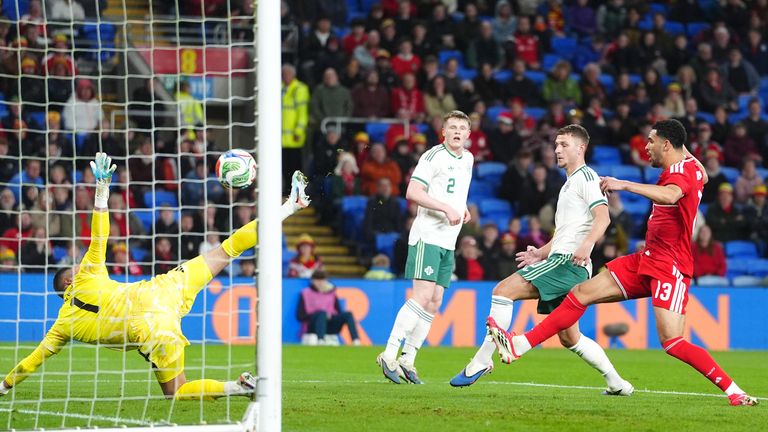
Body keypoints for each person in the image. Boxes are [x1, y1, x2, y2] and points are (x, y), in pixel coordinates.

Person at [487, 120, 759, 406]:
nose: (646, 147)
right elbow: (702, 174)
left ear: (666, 145)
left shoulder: (681, 172)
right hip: (647, 258)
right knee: (580, 294)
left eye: (652, 141)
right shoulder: (689, 168)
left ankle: (734, 391)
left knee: (672, 342)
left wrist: (624, 184)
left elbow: (671, 194)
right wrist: (682, 145)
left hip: (671, 267)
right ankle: (521, 344)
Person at [0, 153, 311, 400]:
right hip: (164, 289)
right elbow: (99, 235)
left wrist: (5, 385)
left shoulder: (61, 327)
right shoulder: (87, 273)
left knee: (176, 392)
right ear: (68, 282)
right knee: (226, 250)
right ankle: (288, 207)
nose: (80, 266)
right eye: (74, 269)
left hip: (150, 329)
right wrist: (102, 189)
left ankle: (238, 387)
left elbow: (32, 360)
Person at [451, 124, 632, 395]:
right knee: (570, 338)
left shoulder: (587, 177)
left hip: (568, 264)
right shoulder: (570, 183)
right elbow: (567, 233)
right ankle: (618, 383)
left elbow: (603, 218)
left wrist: (586, 244)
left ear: (581, 148)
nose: (557, 149)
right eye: (556, 145)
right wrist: (540, 252)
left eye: (564, 145)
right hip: (564, 260)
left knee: (502, 291)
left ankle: (481, 361)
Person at [376, 110, 474, 385]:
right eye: (452, 127)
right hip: (428, 236)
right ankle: (388, 353)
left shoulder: (468, 158)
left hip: (448, 240)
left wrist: (461, 207)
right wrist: (444, 208)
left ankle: (408, 359)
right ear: (443, 132)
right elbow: (413, 192)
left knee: (435, 301)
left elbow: (455, 191)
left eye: (462, 128)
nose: (456, 131)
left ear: (468, 134)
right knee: (422, 296)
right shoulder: (432, 157)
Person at [296, 270, 360, 346]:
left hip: (330, 325)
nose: (320, 283)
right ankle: (321, 340)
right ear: (312, 281)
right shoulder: (305, 293)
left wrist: (330, 316)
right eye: (317, 280)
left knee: (348, 314)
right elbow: (300, 316)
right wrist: (319, 314)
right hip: (313, 325)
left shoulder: (332, 294)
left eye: (322, 280)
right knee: (322, 314)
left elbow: (339, 312)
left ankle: (356, 341)